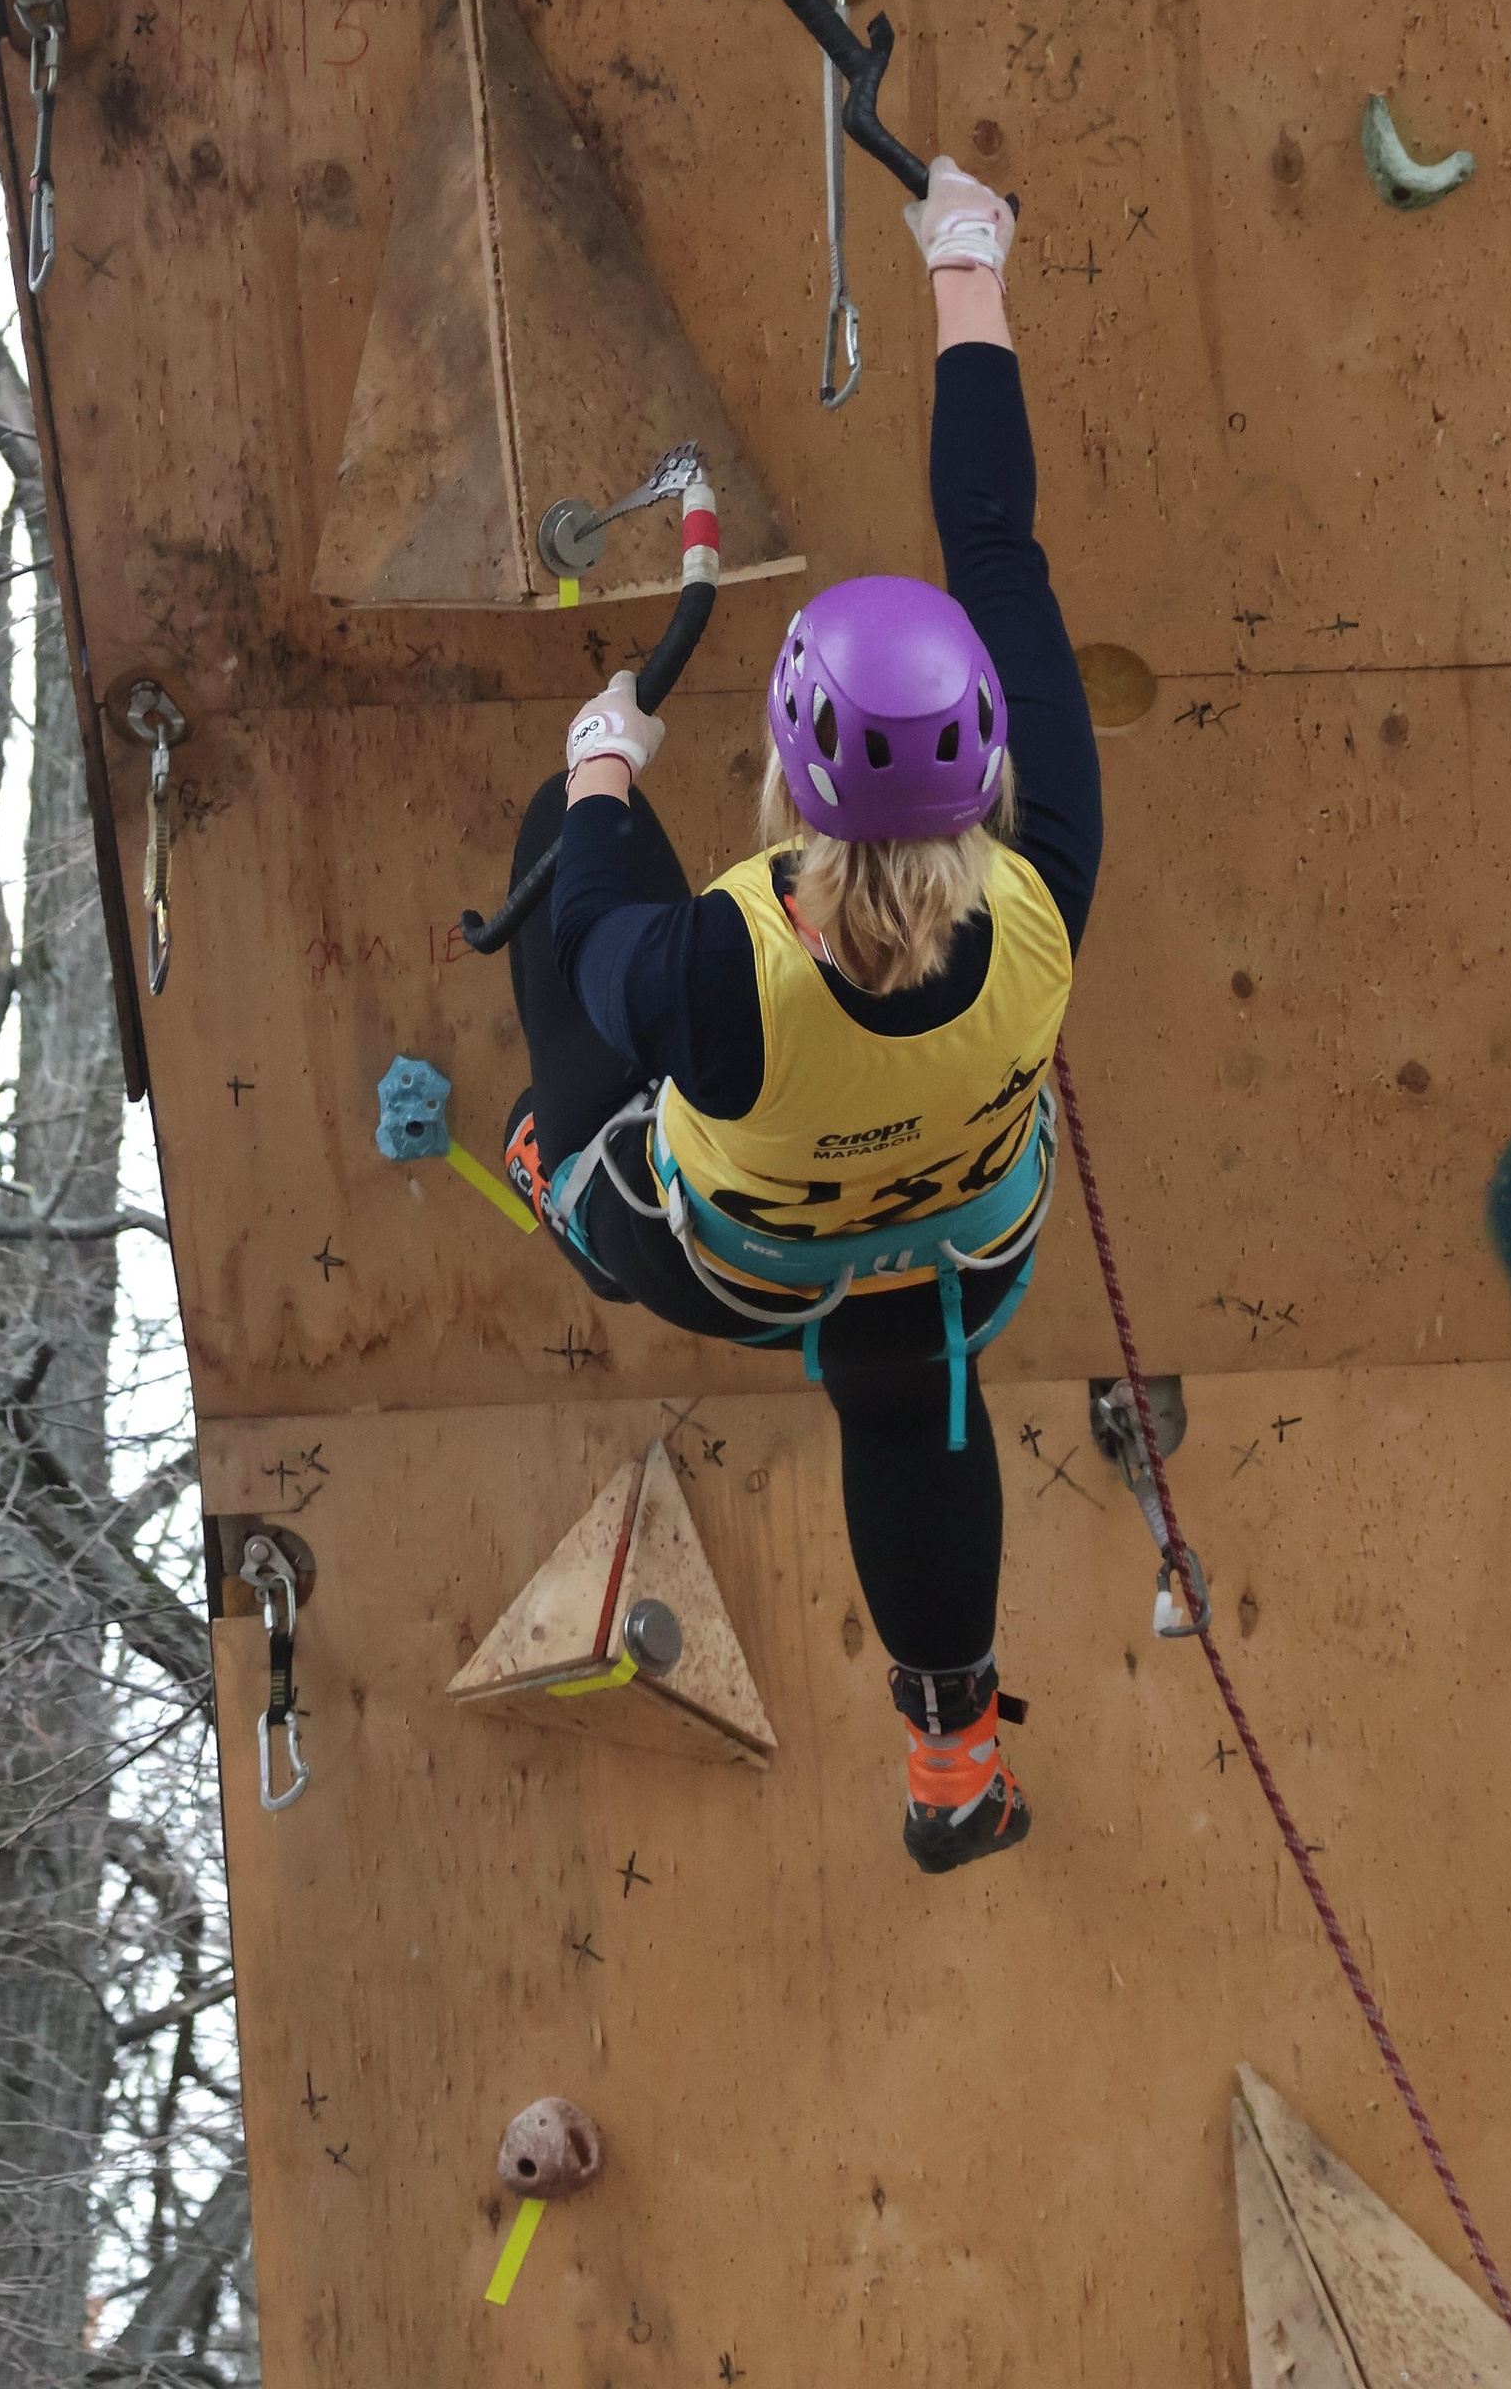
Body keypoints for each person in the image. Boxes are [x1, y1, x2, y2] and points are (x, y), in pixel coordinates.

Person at [499, 156, 1103, 1874]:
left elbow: (599, 922)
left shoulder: (719, 970)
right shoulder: (1048, 867)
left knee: (556, 888)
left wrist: (603, 776)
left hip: (733, 1272)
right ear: (989, 745)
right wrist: (964, 265)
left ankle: (562, 1178)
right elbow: (998, 542)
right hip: (965, 1249)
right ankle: (950, 1757)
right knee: (914, 1388)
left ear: (787, 765)